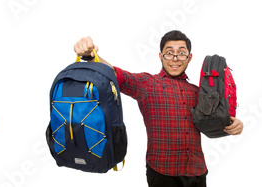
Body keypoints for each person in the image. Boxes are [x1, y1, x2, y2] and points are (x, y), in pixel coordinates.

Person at [73, 30, 243, 187]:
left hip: (197, 171)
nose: (175, 58)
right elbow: (116, 75)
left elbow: (210, 127)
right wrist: (91, 56)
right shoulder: (147, 84)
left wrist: (232, 125)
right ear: (160, 56)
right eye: (169, 53)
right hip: (162, 173)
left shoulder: (198, 92)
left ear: (189, 57)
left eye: (181, 53)